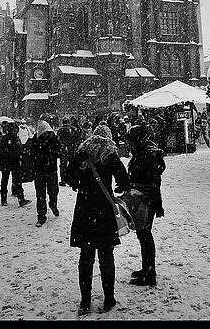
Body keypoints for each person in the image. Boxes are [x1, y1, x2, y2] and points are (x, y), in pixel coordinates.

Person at [65, 124, 130, 316]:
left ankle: (85, 301)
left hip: (84, 208)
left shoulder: (81, 152)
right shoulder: (110, 154)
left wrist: (79, 183)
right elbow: (124, 181)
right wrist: (115, 189)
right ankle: (109, 298)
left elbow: (68, 176)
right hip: (103, 210)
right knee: (106, 255)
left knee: (86, 256)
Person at [125, 122, 166, 287]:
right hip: (143, 199)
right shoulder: (143, 152)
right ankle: (147, 269)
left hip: (146, 201)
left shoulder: (147, 155)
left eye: (131, 142)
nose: (129, 145)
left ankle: (149, 274)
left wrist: (145, 203)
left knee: (145, 236)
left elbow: (154, 183)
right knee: (143, 236)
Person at [30, 119, 61, 227]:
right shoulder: (35, 139)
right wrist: (40, 158)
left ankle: (53, 205)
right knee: (40, 194)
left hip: (51, 170)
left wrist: (50, 156)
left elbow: (60, 152)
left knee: (53, 191)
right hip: (40, 171)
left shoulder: (54, 139)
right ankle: (41, 216)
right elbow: (31, 153)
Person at [0, 121, 31, 207]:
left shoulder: (16, 138)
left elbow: (18, 148)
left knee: (17, 180)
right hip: (7, 162)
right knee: (5, 180)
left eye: (15, 130)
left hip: (14, 162)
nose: (15, 131)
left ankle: (21, 198)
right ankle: (4, 198)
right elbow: (1, 149)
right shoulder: (5, 138)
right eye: (13, 130)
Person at [57, 117, 83, 186]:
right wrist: (74, 145)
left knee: (63, 166)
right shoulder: (74, 129)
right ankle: (72, 179)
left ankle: (63, 180)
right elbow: (78, 138)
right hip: (72, 149)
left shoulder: (60, 130)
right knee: (72, 164)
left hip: (63, 150)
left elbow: (58, 140)